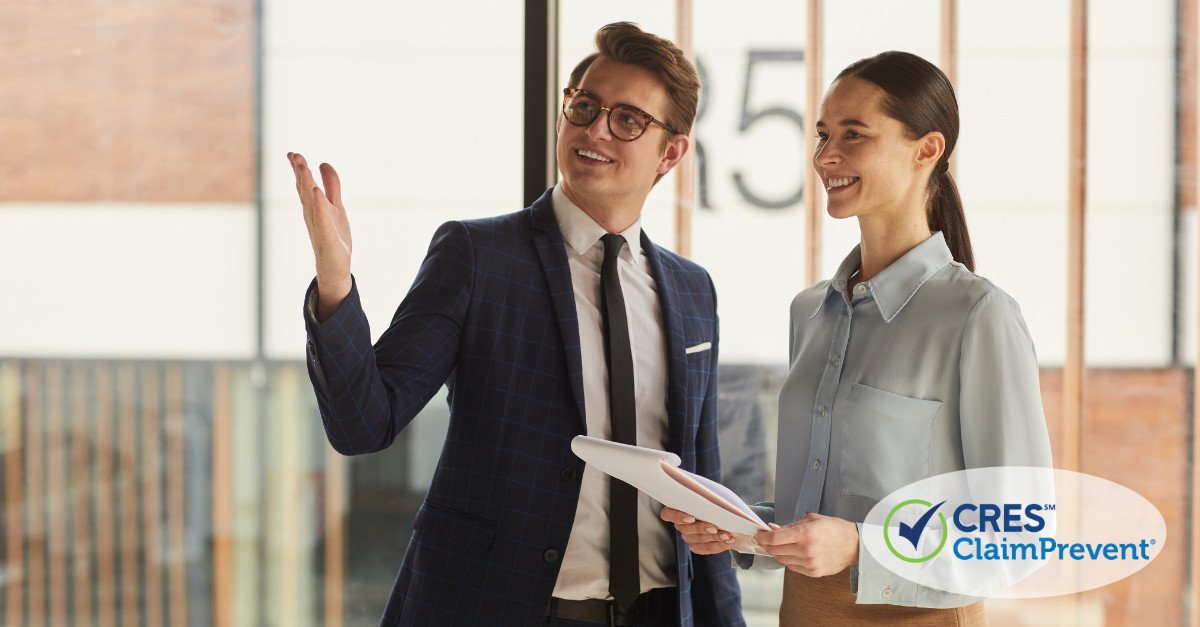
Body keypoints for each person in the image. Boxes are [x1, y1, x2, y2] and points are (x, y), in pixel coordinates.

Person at [288, 21, 743, 627]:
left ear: (672, 151)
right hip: (505, 607)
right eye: (583, 106)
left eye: (628, 119)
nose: (595, 130)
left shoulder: (692, 290)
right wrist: (336, 284)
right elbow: (363, 424)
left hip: (659, 612)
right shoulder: (478, 256)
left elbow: (701, 482)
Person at [662, 50, 1053, 625]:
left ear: (927, 150)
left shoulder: (978, 316)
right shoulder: (810, 312)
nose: (826, 155)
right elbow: (818, 514)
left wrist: (862, 548)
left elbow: (1020, 535)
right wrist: (744, 526)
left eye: (854, 134)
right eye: (822, 134)